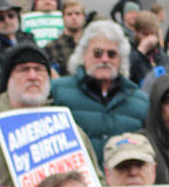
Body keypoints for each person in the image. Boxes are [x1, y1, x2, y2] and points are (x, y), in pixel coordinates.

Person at [0, 42, 99, 187]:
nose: (33, 76)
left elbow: (95, 180)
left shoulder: (68, 127)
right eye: (24, 70)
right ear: (8, 79)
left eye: (39, 70)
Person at [50, 20, 150, 166]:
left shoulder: (140, 100)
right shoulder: (57, 91)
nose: (104, 59)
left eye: (112, 54)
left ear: (121, 59)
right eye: (97, 53)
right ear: (83, 55)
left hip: (121, 185)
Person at [45, 0, 86, 76]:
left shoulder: (91, 44)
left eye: (77, 14)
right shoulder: (51, 47)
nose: (74, 17)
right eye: (69, 14)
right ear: (63, 18)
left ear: (84, 17)